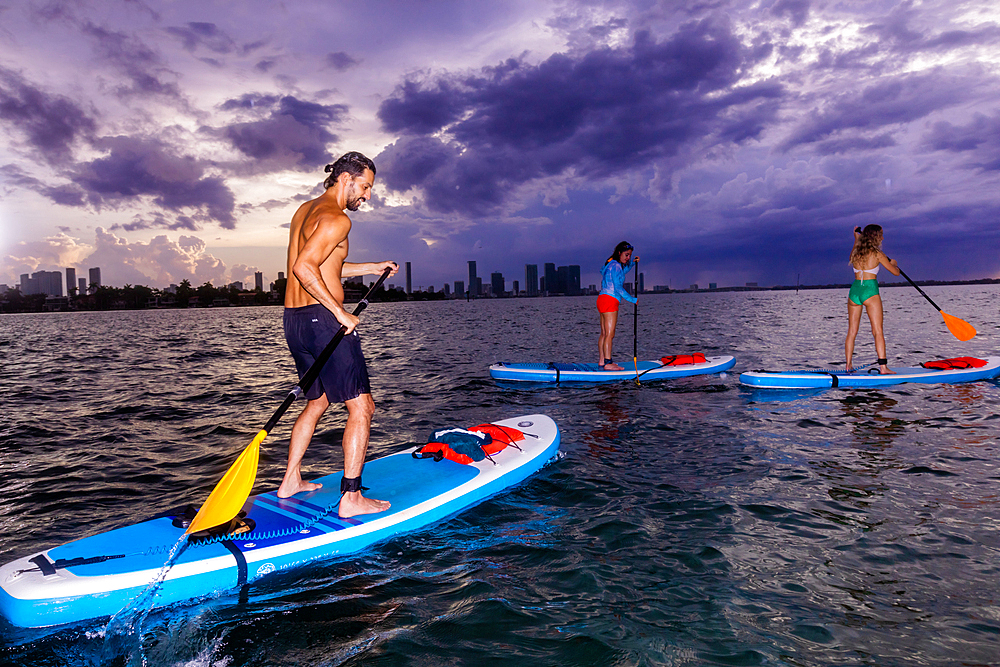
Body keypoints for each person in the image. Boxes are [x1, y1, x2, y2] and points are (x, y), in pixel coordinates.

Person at [280, 151, 398, 519]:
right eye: (364, 186)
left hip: (294, 320)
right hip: (322, 320)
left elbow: (326, 264)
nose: (366, 195)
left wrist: (372, 266)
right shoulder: (338, 219)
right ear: (345, 179)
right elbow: (304, 268)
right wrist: (338, 313)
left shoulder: (306, 210)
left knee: (317, 402)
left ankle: (290, 480)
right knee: (362, 407)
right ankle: (351, 497)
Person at [846, 224, 900, 374]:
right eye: (881, 235)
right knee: (877, 331)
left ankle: (848, 365)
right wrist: (894, 264)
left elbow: (854, 252)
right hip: (870, 291)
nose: (882, 237)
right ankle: (883, 367)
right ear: (875, 237)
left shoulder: (856, 251)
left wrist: (856, 239)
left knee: (852, 331)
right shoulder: (878, 254)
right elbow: (895, 273)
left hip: (855, 291)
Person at [596, 241, 638, 370]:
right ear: (619, 253)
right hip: (610, 300)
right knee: (610, 334)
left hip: (602, 299)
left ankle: (602, 360)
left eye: (630, 255)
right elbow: (618, 287)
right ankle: (608, 363)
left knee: (604, 333)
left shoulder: (610, 264)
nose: (628, 258)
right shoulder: (616, 266)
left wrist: (632, 263)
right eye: (626, 255)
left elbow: (623, 271)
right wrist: (632, 299)